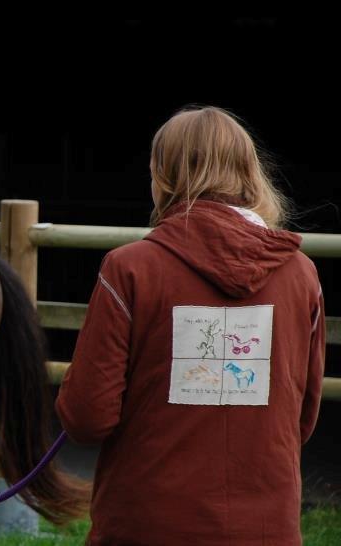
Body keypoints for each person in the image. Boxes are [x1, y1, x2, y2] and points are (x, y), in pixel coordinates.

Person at [56, 107, 325, 545]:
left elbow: (87, 418)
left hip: (146, 524)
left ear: (163, 177)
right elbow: (303, 417)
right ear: (248, 173)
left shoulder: (130, 268)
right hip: (266, 528)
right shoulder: (302, 275)